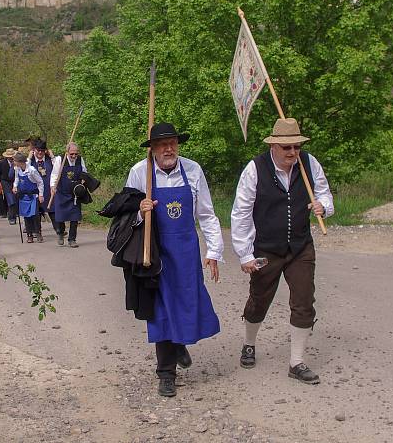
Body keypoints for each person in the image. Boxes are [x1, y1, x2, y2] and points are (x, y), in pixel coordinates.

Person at [230, 118, 334, 385]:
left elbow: (324, 194)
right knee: (259, 299)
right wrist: (245, 254)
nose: (293, 153)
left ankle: (296, 362)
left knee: (304, 300)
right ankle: (249, 343)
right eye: (287, 148)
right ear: (274, 145)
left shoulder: (310, 164)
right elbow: (241, 213)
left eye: (297, 147)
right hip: (266, 248)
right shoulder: (255, 169)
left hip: (300, 246)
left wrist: (323, 206)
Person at [125, 122, 223, 398]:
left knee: (187, 303)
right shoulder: (138, 173)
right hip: (154, 253)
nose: (169, 148)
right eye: (162, 144)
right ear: (153, 149)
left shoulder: (193, 171)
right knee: (161, 310)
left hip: (185, 253)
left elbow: (206, 213)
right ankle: (166, 373)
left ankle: (178, 342)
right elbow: (124, 217)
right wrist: (141, 211)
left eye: (173, 143)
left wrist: (213, 251)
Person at [50, 142, 88, 248]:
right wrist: (53, 186)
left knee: (74, 217)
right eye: (72, 154)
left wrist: (83, 180)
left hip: (74, 194)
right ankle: (61, 233)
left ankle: (72, 239)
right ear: (67, 152)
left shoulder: (80, 160)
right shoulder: (60, 160)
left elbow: (84, 172)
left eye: (76, 154)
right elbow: (54, 174)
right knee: (60, 216)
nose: (74, 156)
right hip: (62, 192)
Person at [12, 151, 44, 243]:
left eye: (15, 161)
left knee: (35, 215)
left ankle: (38, 232)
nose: (14, 163)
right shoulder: (17, 169)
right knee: (26, 215)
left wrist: (41, 195)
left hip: (33, 195)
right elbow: (17, 179)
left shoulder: (32, 170)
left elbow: (40, 182)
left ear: (20, 161)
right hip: (23, 195)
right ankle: (29, 235)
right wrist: (15, 186)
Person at [29, 140, 55, 242]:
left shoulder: (49, 160)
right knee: (36, 213)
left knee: (53, 211)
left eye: (42, 151)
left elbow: (59, 167)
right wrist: (28, 157)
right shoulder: (30, 161)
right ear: (34, 150)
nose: (40, 153)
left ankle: (58, 229)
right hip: (35, 191)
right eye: (38, 150)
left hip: (48, 190)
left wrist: (52, 155)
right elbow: (17, 171)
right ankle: (38, 232)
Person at [0, 148, 17, 223]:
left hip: (15, 182)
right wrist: (0, 184)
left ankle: (13, 215)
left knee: (14, 199)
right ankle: (11, 218)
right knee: (10, 199)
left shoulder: (16, 163)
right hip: (5, 182)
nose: (11, 158)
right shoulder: (1, 163)